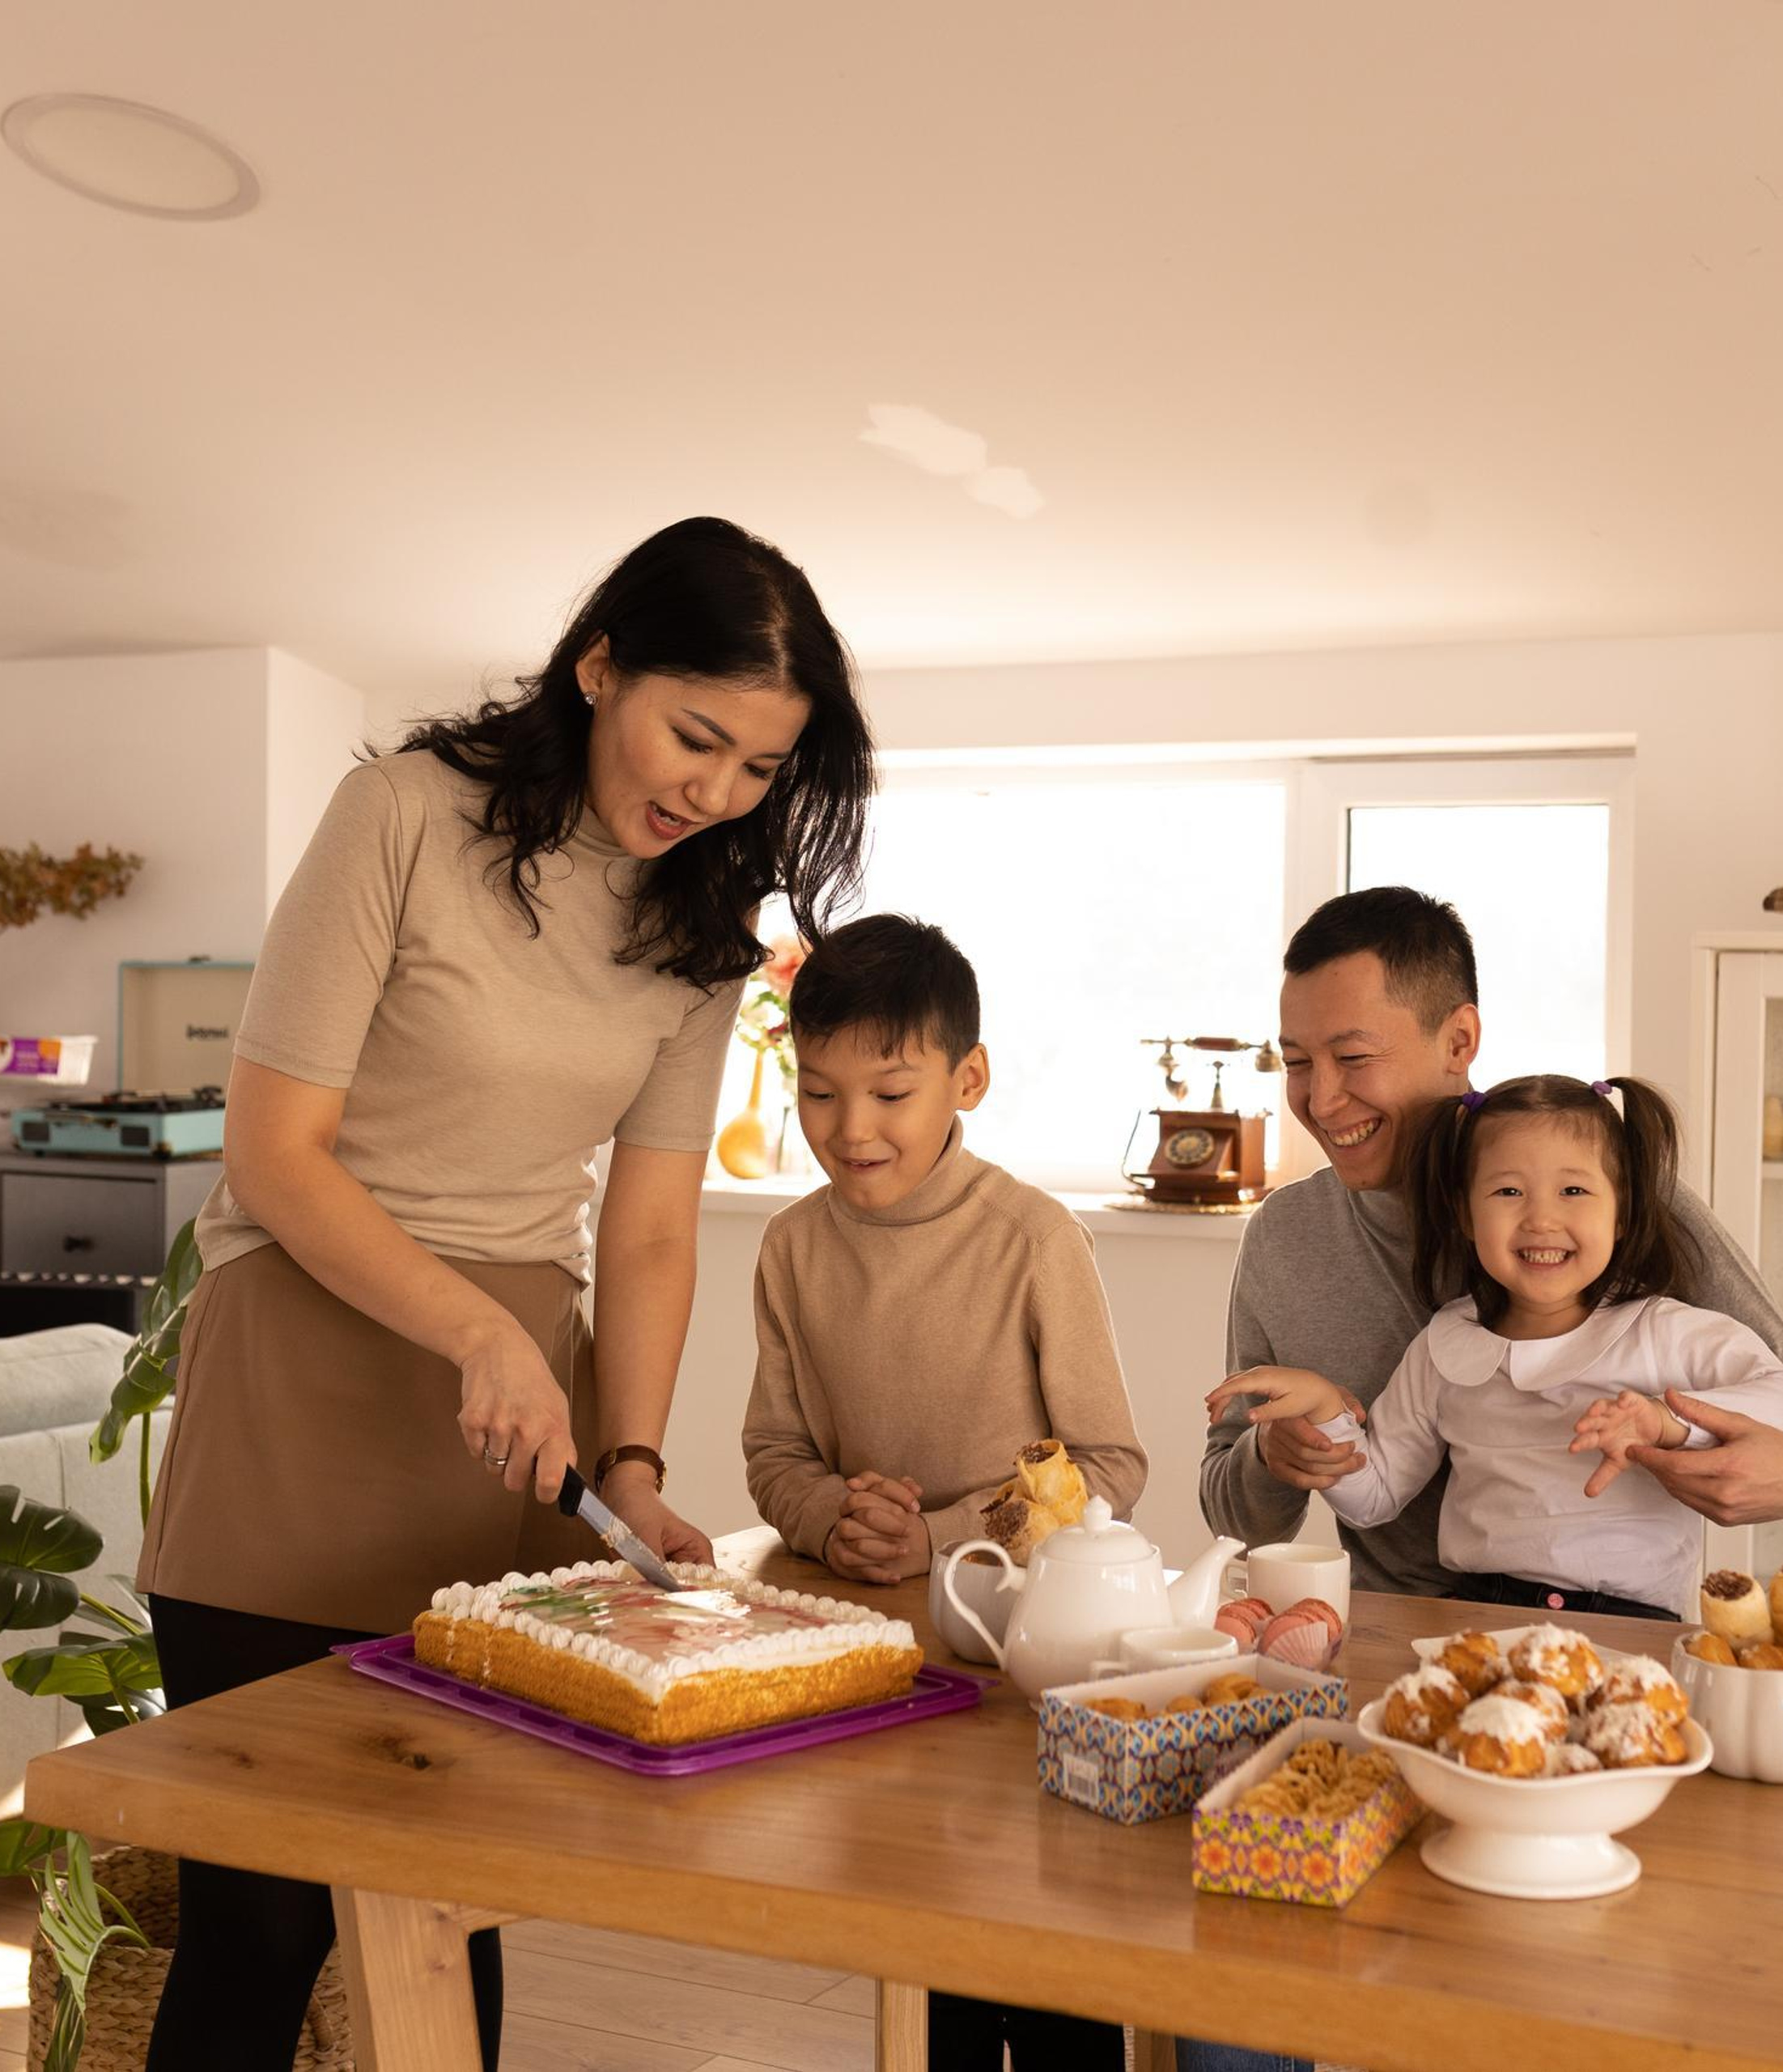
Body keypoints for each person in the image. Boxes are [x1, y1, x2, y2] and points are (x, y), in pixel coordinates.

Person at [136, 516, 874, 2072]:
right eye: (697, 736)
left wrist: (630, 1465)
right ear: (599, 664)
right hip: (303, 1378)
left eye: (759, 766)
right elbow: (277, 1157)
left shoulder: (700, 935)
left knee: (447, 1900)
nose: (717, 792)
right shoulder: (398, 815)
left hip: (511, 1425)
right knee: (259, 1919)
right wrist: (478, 1328)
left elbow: (657, 1232)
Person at [1200, 887, 1783, 1594]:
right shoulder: (1288, 1240)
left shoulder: (1606, 1200)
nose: (1319, 1101)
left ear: (1459, 1040)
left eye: (1352, 1058)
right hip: (1405, 1634)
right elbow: (1237, 1516)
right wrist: (1281, 1453)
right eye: (1298, 1063)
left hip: (1614, 1628)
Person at [740, 913, 1144, 2070]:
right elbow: (774, 1452)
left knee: (1050, 1963)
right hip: (873, 1671)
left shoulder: (1033, 1236)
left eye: (890, 1094)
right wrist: (836, 1520)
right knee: (929, 1978)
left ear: (967, 1080)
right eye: (818, 1095)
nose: (849, 1130)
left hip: (1027, 1670)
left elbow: (1107, 1466)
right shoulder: (790, 1248)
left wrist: (942, 1538)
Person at [1206, 1075, 1783, 1620]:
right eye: (1508, 1192)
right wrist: (1322, 1411)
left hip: (1633, 1627)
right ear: (1464, 1214)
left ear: (1623, 1212)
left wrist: (1668, 1422)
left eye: (1574, 1191)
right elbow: (1375, 1497)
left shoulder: (1666, 1331)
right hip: (1475, 1617)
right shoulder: (1446, 1344)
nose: (1540, 1219)